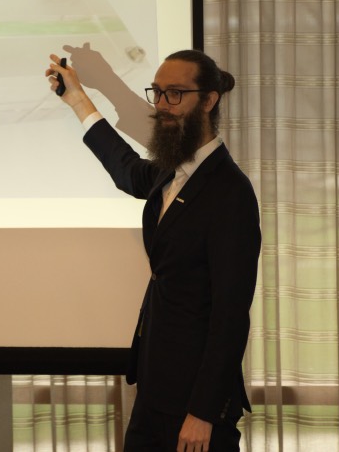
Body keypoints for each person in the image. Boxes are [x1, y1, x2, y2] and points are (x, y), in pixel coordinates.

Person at [46, 49, 261, 452]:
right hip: (155, 390)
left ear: (209, 100)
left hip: (195, 406)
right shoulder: (171, 171)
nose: (162, 104)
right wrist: (77, 98)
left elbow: (230, 316)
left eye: (175, 94)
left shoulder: (230, 192)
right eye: (158, 92)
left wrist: (202, 412)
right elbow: (125, 168)